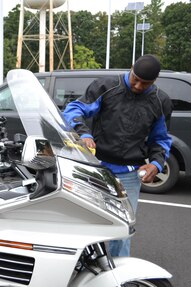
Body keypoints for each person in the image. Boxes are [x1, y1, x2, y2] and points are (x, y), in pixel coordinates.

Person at [62, 54, 173, 257]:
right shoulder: (106, 86)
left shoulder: (160, 101)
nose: (138, 85)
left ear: (155, 81)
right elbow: (73, 109)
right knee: (86, 223)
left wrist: (156, 164)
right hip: (95, 168)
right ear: (131, 68)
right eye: (135, 78)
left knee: (121, 230)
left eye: (145, 82)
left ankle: (117, 277)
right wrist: (83, 133)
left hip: (129, 175)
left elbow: (161, 139)